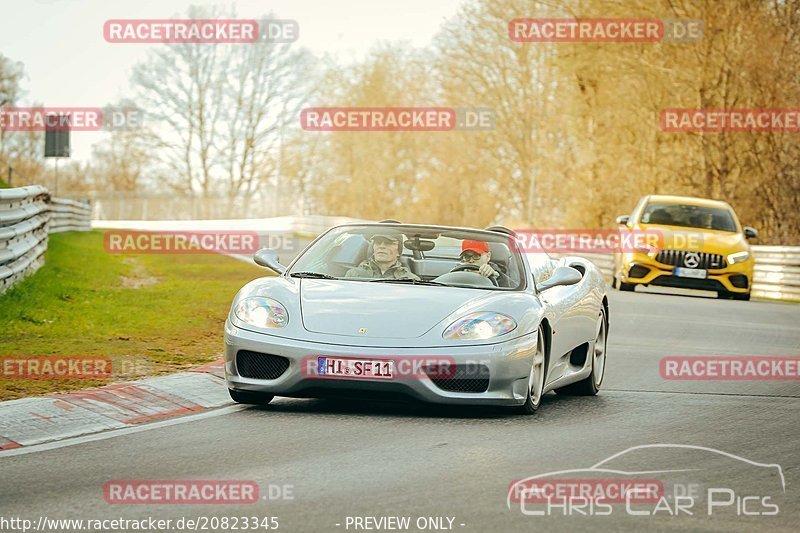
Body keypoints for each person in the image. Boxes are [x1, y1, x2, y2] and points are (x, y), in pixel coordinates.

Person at [345, 231, 420, 280]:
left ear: (398, 251)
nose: (381, 246)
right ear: (373, 247)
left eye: (388, 243)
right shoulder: (353, 274)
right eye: (378, 242)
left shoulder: (410, 280)